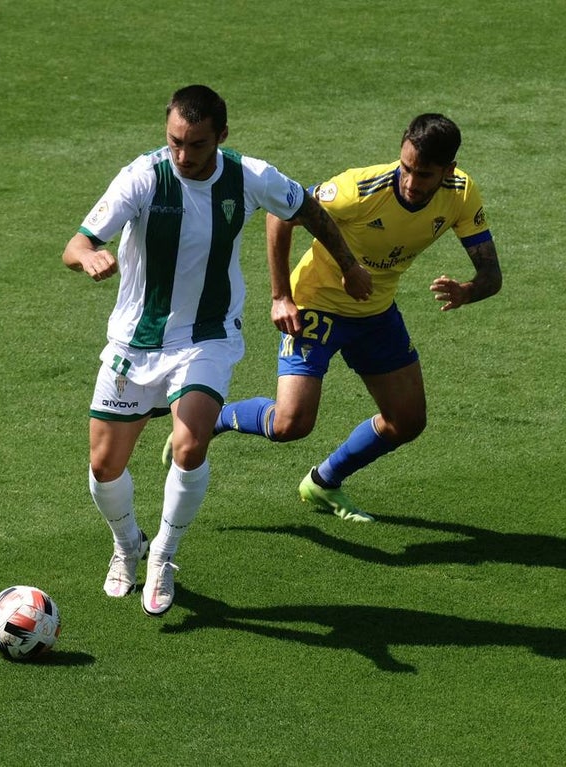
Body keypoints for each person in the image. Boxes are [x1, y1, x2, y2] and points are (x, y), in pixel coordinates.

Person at [63, 85, 371, 616]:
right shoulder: (143, 176)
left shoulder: (250, 176)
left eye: (197, 145)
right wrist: (89, 258)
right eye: (175, 142)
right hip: (135, 340)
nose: (184, 155)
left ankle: (163, 553)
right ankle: (126, 544)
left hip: (207, 336)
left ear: (221, 137)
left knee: (189, 443)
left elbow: (310, 213)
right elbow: (77, 243)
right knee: (104, 465)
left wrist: (347, 264)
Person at [165, 113, 501, 522]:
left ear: (448, 171)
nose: (411, 182)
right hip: (314, 307)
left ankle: (323, 482)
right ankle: (215, 417)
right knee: (290, 425)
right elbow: (281, 213)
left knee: (408, 421)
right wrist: (280, 296)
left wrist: (467, 291)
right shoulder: (357, 189)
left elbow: (491, 276)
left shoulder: (461, 193)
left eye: (425, 175)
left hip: (376, 314)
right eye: (406, 167)